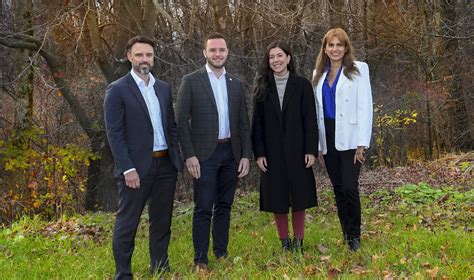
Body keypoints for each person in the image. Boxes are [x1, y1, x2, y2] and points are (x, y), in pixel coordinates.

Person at [104, 35, 184, 279]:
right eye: (139, 55)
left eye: (148, 55)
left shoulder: (163, 88)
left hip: (165, 165)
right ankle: (123, 273)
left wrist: (177, 159)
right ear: (129, 57)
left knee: (162, 221)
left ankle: (159, 266)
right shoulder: (117, 90)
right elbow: (114, 134)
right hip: (136, 169)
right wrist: (127, 168)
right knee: (128, 223)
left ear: (154, 57)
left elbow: (170, 126)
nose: (144, 59)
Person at [176, 32, 252, 270]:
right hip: (203, 156)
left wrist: (246, 156)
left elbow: (243, 123)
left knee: (225, 206)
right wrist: (189, 155)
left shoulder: (236, 84)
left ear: (227, 52)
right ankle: (200, 259)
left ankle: (221, 252)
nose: (217, 54)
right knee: (203, 207)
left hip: (231, 153)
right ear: (205, 53)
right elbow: (180, 121)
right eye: (213, 50)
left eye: (221, 50)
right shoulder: (191, 81)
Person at [251, 41, 319, 253]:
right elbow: (257, 124)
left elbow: (310, 119)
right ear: (268, 61)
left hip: (298, 150)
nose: (276, 60)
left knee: (299, 196)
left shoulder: (302, 85)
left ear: (288, 58)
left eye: (280, 56)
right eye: (272, 57)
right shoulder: (263, 87)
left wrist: (311, 149)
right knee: (277, 197)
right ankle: (284, 242)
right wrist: (259, 152)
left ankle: (298, 242)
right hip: (271, 152)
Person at [312, 28, 373, 251]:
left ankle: (355, 236)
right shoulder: (318, 74)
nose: (335, 49)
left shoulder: (359, 70)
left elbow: (366, 106)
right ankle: (346, 234)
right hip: (327, 136)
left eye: (339, 45)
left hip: (350, 137)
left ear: (346, 47)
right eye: (331, 45)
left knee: (349, 187)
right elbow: (316, 112)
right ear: (325, 49)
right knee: (338, 188)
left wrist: (362, 142)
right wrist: (318, 145)